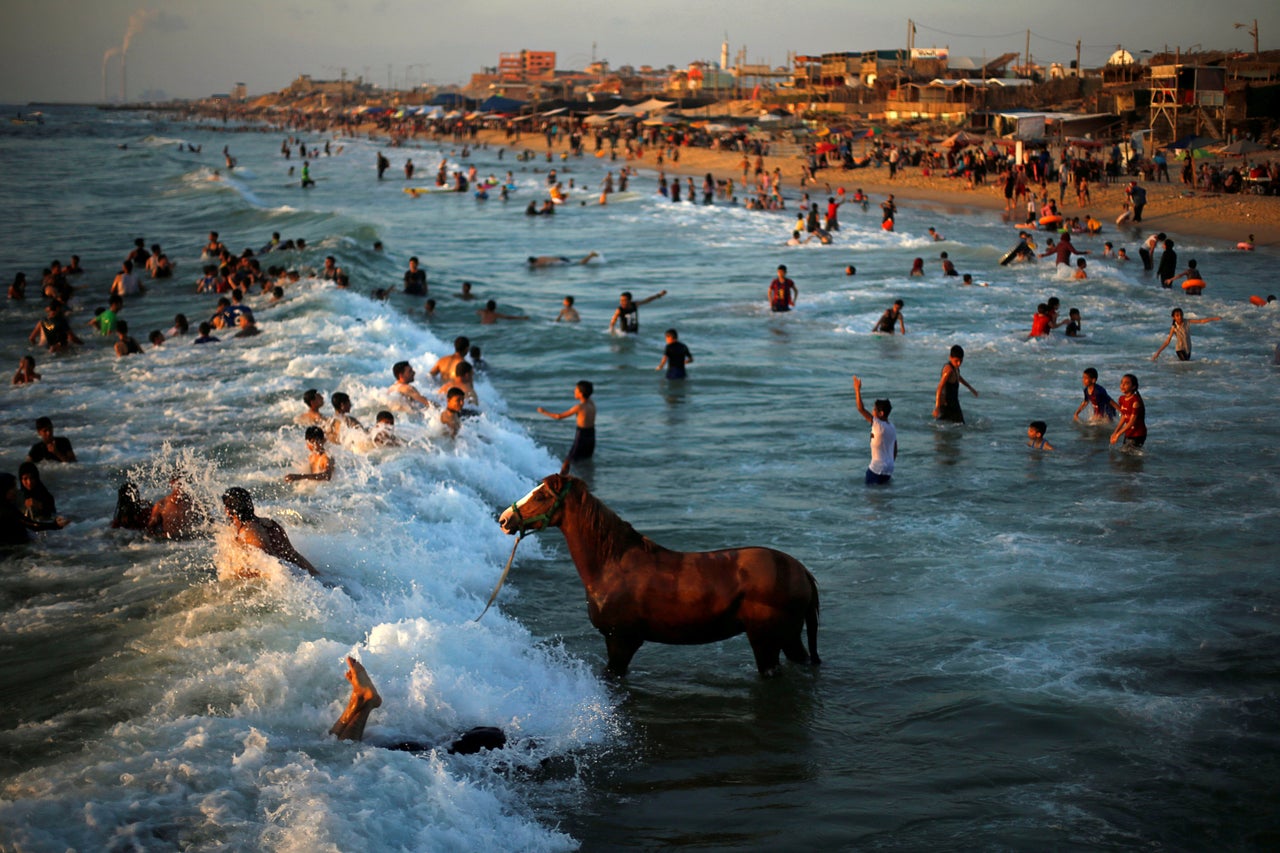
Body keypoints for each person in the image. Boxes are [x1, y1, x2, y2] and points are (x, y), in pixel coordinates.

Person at [221, 487, 318, 576]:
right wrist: (317, 575)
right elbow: (293, 556)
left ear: (228, 510)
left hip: (284, 583)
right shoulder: (269, 524)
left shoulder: (249, 532)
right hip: (295, 578)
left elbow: (272, 567)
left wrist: (237, 574)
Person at [536, 380, 595, 475]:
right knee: (586, 460)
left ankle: (561, 481)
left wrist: (543, 412)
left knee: (568, 461)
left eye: (576, 390)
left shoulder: (579, 407)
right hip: (592, 435)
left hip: (582, 436)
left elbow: (559, 416)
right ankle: (587, 480)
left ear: (581, 393)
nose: (574, 391)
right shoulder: (591, 403)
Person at [852, 376, 897, 485]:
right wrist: (888, 464)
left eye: (874, 409)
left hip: (876, 468)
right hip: (889, 469)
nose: (872, 412)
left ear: (881, 413)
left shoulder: (877, 424)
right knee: (884, 497)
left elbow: (860, 408)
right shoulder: (892, 427)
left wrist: (857, 390)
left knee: (870, 497)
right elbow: (895, 450)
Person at [1, 472, 66, 545]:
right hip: (11, 551)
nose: (16, 490)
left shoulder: (7, 506)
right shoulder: (6, 510)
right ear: (4, 490)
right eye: (13, 487)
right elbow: (33, 525)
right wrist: (56, 525)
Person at [1152, 307, 1222, 362]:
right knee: (1185, 363)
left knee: (1187, 364)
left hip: (1188, 348)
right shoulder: (1174, 327)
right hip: (1180, 349)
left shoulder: (1187, 322)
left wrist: (1214, 318)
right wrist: (1158, 352)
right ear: (1173, 317)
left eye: (1181, 315)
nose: (1180, 317)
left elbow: (1201, 321)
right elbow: (1167, 341)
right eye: (1177, 316)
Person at [146, 475, 199, 539]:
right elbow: (150, 530)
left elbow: (211, 525)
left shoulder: (194, 505)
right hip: (169, 544)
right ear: (172, 483)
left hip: (189, 543)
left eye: (184, 483)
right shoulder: (161, 505)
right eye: (179, 484)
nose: (181, 487)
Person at [934, 345, 978, 423]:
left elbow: (958, 377)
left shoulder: (955, 368)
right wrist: (937, 407)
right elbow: (939, 388)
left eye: (961, 361)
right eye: (956, 361)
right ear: (950, 358)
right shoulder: (948, 370)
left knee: (956, 426)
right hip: (947, 404)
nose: (958, 363)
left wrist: (971, 388)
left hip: (954, 403)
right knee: (952, 426)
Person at [1109, 374, 1146, 449]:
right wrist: (1115, 432)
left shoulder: (1135, 401)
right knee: (1125, 454)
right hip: (1129, 432)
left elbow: (1132, 421)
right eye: (1121, 382)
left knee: (1129, 455)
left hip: (1138, 434)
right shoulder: (1121, 399)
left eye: (1126, 383)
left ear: (1133, 387)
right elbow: (1124, 416)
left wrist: (1118, 434)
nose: (1123, 385)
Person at [527, 252, 598, 268]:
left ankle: (590, 255)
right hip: (561, 258)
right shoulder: (540, 257)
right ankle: (590, 256)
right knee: (577, 263)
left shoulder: (539, 262)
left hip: (561, 261)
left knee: (580, 264)